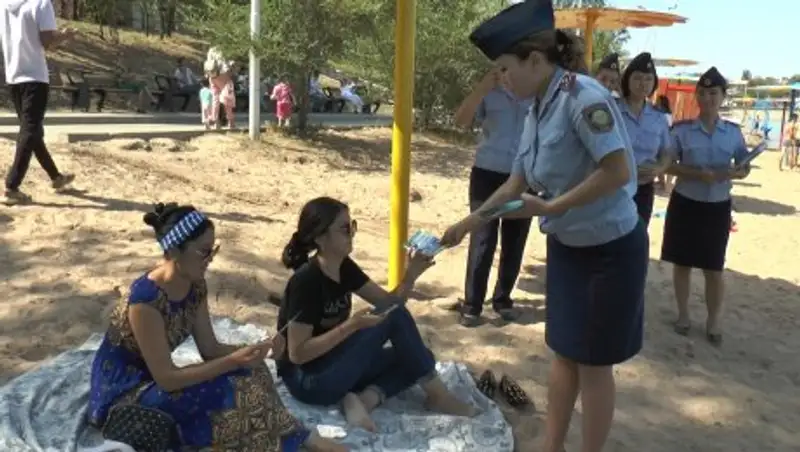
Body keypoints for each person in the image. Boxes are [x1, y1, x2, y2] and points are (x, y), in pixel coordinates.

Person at [442, 2, 648, 451]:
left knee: (594, 364)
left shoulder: (583, 97)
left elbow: (615, 171)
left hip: (609, 250)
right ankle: (551, 444)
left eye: (505, 68)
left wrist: (551, 207)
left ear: (535, 60)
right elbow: (515, 182)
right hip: (569, 247)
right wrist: (468, 223)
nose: (502, 78)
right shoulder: (536, 106)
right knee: (565, 352)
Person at [86, 203, 346, 452]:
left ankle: (287, 435)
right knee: (230, 389)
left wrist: (255, 351)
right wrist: (232, 361)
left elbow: (209, 348)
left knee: (254, 371)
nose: (209, 259)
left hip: (155, 381)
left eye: (213, 250)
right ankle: (292, 438)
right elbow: (167, 377)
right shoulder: (145, 302)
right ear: (174, 251)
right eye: (203, 252)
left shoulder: (195, 286)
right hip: (125, 396)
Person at [277, 197, 476, 432]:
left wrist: (411, 274)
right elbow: (298, 354)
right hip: (308, 382)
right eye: (344, 229)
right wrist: (351, 326)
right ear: (320, 237)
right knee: (408, 342)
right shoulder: (306, 281)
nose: (351, 234)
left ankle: (364, 400)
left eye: (352, 226)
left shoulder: (343, 266)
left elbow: (389, 304)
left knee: (419, 357)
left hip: (335, 362)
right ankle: (439, 397)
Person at [662, 67, 751, 346]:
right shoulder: (681, 131)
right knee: (682, 263)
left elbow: (744, 164)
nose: (707, 98)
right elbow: (667, 164)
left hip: (717, 207)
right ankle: (683, 315)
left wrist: (739, 171)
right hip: (686, 203)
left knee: (714, 268)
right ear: (696, 97)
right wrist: (697, 174)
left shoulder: (733, 133)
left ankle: (713, 321)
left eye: (713, 93)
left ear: (723, 96)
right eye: (702, 93)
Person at [451, 67, 533, 326]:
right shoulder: (489, 92)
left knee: (515, 241)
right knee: (483, 239)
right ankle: (472, 305)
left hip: (523, 177)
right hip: (487, 174)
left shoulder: (535, 94)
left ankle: (502, 300)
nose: (509, 73)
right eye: (504, 67)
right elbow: (461, 121)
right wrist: (481, 88)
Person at [1, 0, 75, 205]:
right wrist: (66, 35)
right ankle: (12, 186)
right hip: (35, 76)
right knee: (30, 130)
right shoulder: (41, 3)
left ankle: (55, 177)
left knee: (33, 132)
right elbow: (47, 41)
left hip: (14, 76)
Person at [618, 52, 673, 225]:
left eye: (648, 79)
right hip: (613, 188)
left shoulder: (659, 117)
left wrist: (659, 168)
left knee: (639, 234)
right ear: (627, 79)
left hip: (644, 189)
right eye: (637, 78)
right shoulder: (612, 110)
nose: (643, 83)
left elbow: (667, 152)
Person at [203, 47, 236, 129]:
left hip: (212, 76)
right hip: (224, 76)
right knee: (227, 99)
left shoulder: (212, 49)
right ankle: (230, 121)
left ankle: (215, 120)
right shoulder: (225, 48)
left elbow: (208, 62)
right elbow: (229, 64)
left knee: (215, 99)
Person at [654, 94, 675, 192]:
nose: (656, 103)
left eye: (658, 101)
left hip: (665, 141)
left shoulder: (665, 115)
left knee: (662, 161)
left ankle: (664, 183)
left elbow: (667, 129)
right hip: (661, 141)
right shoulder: (660, 114)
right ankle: (662, 182)